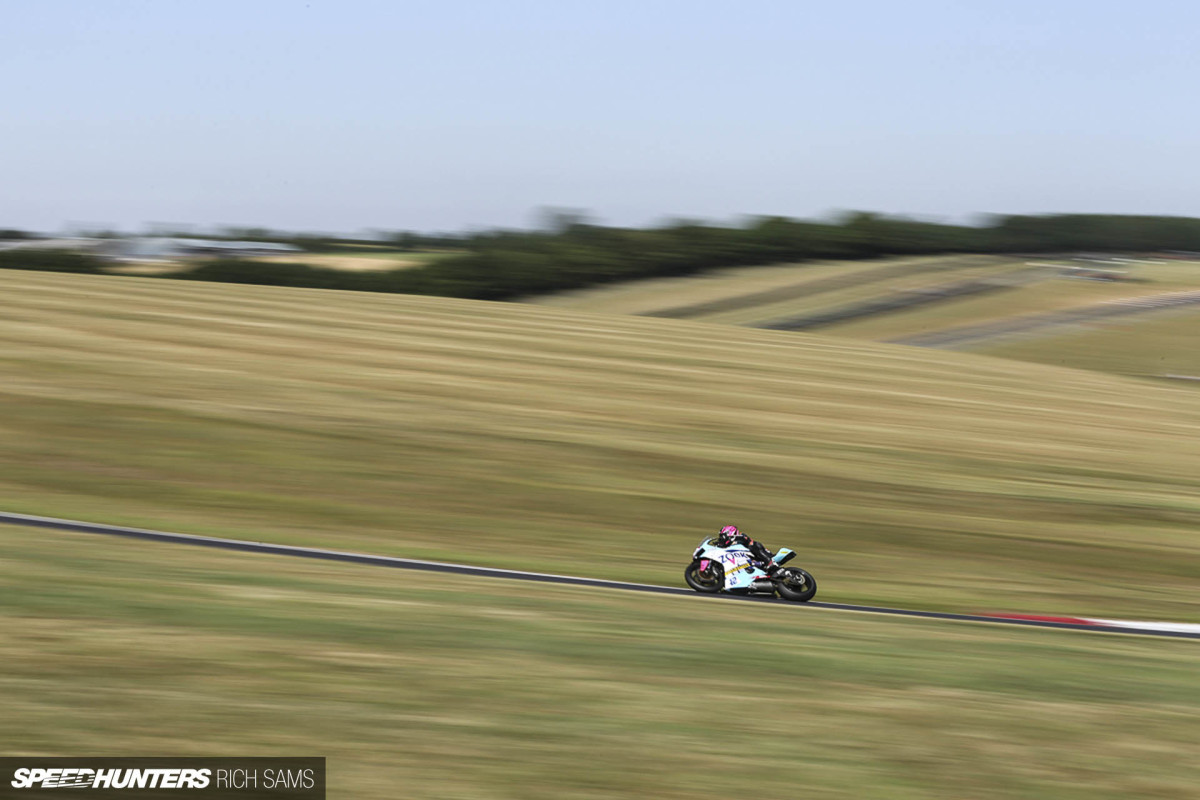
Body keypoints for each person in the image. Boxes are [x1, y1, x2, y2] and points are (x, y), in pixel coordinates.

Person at [713, 525, 778, 574]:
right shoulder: (727, 543)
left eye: (722, 536)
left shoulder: (741, 536)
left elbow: (746, 540)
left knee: (753, 544)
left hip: (762, 555)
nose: (721, 538)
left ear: (729, 534)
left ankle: (769, 561)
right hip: (745, 561)